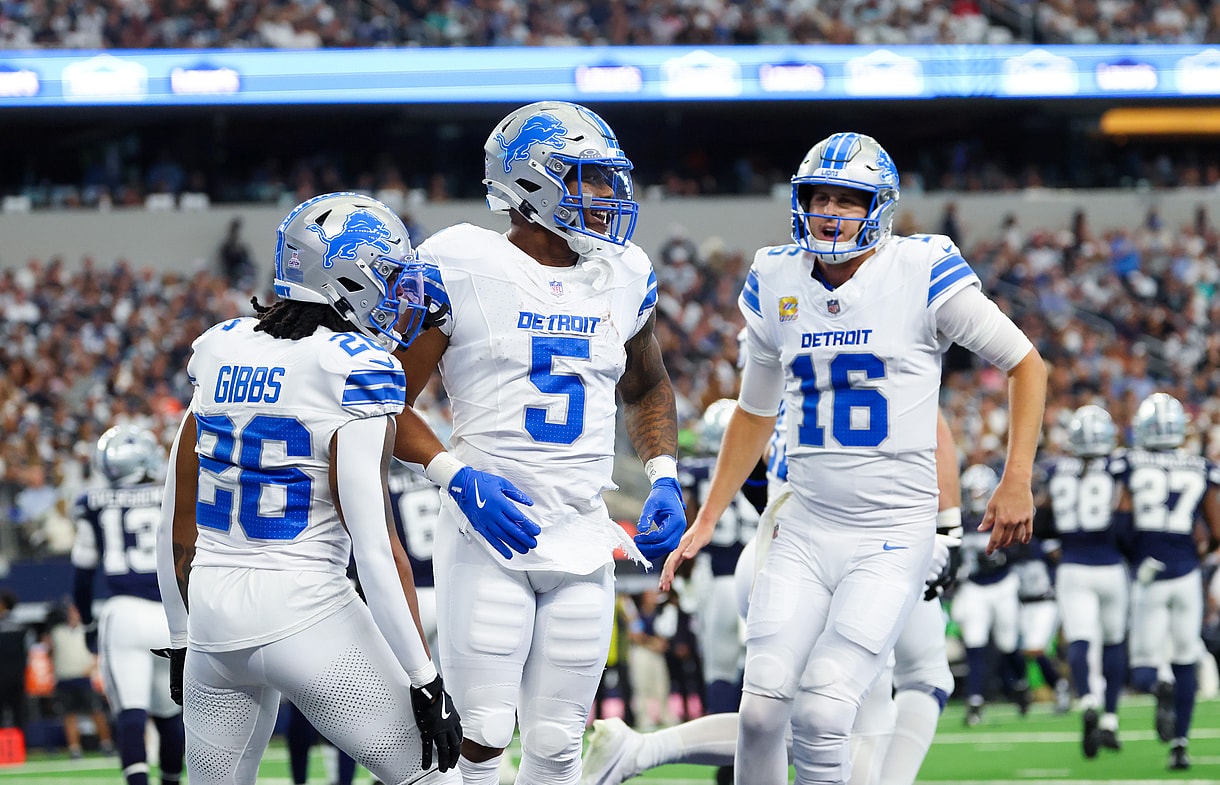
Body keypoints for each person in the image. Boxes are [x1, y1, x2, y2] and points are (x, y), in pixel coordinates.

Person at [659, 131, 1046, 785]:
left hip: (890, 534)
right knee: (759, 713)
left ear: (880, 207)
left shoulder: (921, 268)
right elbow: (755, 413)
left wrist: (1017, 478)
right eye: (820, 197)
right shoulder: (776, 275)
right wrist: (707, 517)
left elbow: (1025, 363)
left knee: (824, 707)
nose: (832, 211)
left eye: (849, 198)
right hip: (803, 529)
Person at [392, 101, 685, 785]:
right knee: (483, 736)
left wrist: (664, 471)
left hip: (583, 535)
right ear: (529, 184)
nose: (608, 197)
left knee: (556, 744)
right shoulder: (460, 261)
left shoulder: (624, 270)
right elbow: (384, 402)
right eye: (589, 178)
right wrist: (454, 475)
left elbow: (647, 386)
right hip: (488, 534)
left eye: (610, 180)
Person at [155, 192, 464, 785]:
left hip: (214, 627)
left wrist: (179, 635)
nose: (399, 293)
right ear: (344, 275)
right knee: (437, 780)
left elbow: (177, 520)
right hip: (310, 616)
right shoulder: (353, 366)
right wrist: (424, 680)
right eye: (388, 275)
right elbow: (376, 549)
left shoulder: (222, 348)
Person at [583, 411, 962, 785]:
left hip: (779, 549)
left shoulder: (792, 369)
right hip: (852, 550)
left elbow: (754, 437)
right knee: (856, 716)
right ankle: (640, 751)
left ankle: (641, 750)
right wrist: (948, 527)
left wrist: (713, 517)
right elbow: (936, 426)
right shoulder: (872, 374)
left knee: (792, 717)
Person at [1110, 392, 1220, 770]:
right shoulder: (1199, 466)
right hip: (1186, 572)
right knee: (1186, 655)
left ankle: (1161, 685)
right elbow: (1216, 528)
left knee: (1143, 670)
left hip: (1147, 574)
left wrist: (1132, 555)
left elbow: (1121, 523)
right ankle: (1181, 744)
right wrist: (1197, 556)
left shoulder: (1130, 463)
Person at [71, 424, 181, 784]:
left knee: (131, 712)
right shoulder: (171, 494)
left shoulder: (91, 502)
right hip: (171, 614)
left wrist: (87, 624)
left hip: (124, 613)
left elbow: (83, 576)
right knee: (170, 713)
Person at [1034, 403, 1126, 758]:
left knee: (1080, 639)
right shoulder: (1120, 467)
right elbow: (1129, 517)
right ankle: (1111, 719)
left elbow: (1040, 524)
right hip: (1111, 564)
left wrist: (1054, 548)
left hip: (1072, 565)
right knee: (1115, 642)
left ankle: (1088, 698)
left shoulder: (1056, 469)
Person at [952, 463, 1031, 726]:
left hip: (1003, 585)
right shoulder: (961, 520)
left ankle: (1019, 685)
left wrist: (1001, 556)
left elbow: (1022, 548)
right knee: (975, 643)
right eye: (971, 493)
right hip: (974, 587)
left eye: (978, 493)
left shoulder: (1003, 514)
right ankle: (975, 700)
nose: (974, 499)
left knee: (1008, 644)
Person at [47, 600, 114, 759]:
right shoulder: (57, 632)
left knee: (96, 712)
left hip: (83, 678)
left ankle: (106, 744)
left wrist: (91, 668)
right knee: (69, 715)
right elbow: (50, 652)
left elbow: (99, 652)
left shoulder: (87, 630)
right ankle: (74, 749)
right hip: (64, 678)